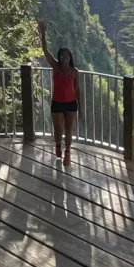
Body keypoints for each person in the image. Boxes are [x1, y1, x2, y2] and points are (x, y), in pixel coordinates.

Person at [38, 22, 79, 165]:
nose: (65, 57)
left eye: (67, 55)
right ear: (59, 57)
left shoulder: (75, 72)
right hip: (57, 102)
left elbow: (77, 89)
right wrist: (42, 33)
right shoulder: (55, 67)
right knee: (58, 128)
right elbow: (45, 50)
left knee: (68, 129)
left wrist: (80, 108)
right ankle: (58, 145)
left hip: (71, 103)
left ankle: (67, 152)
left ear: (70, 57)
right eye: (62, 55)